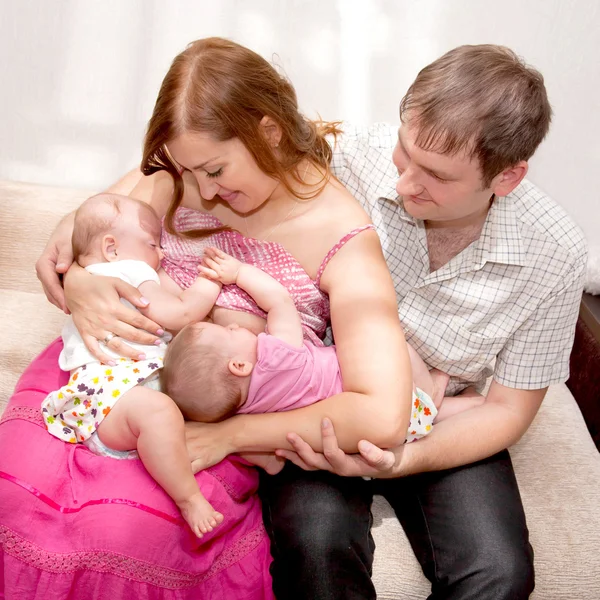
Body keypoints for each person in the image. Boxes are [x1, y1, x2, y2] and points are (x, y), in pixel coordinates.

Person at [1, 37, 413, 600]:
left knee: (121, 533)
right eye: (185, 172)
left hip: (197, 412)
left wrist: (229, 434)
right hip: (95, 380)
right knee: (16, 501)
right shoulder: (182, 166)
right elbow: (81, 232)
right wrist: (80, 281)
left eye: (215, 171)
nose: (197, 192)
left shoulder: (343, 236)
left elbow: (384, 412)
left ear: (268, 132)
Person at [41, 192, 226, 537]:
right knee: (162, 411)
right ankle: (189, 499)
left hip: (108, 409)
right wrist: (209, 282)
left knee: (167, 412)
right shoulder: (131, 270)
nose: (163, 251)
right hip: (117, 395)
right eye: (153, 242)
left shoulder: (93, 280)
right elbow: (179, 313)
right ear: (112, 248)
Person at [164, 246, 475, 435]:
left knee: (436, 417)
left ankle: (457, 407)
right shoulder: (276, 356)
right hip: (386, 398)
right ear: (240, 364)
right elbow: (279, 302)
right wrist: (239, 272)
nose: (233, 325)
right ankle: (428, 391)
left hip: (363, 431)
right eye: (229, 332)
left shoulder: (249, 408)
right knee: (393, 345)